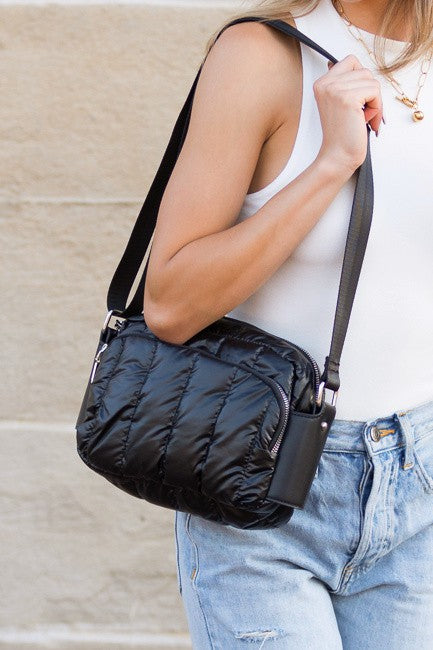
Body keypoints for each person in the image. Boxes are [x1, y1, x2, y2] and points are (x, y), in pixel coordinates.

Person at [143, 0, 433, 647]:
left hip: (422, 490)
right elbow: (169, 303)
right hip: (263, 485)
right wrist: (331, 163)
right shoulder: (265, 56)